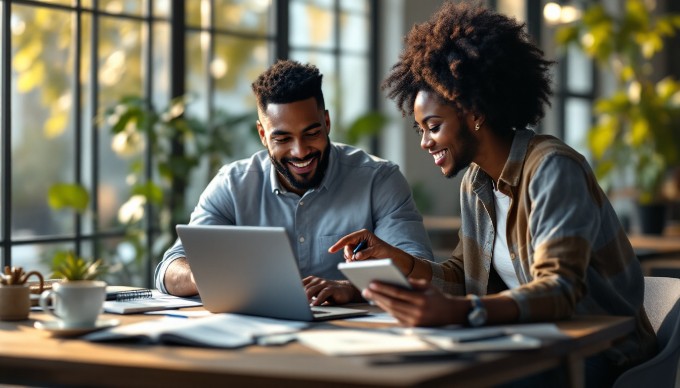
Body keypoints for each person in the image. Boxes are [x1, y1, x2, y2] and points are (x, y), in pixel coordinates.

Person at [329, 2, 656, 385]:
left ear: (473, 112)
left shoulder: (552, 169)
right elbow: (462, 274)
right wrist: (396, 260)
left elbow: (560, 290)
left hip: (600, 353)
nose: (424, 142)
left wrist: (459, 312)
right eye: (420, 130)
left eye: (432, 127)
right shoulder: (477, 182)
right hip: (532, 343)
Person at [155, 60, 433, 306]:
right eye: (283, 139)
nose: (300, 152)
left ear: (326, 122)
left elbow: (422, 271)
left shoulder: (379, 180)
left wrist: (352, 289)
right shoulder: (232, 185)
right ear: (263, 134)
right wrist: (203, 276)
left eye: (311, 133)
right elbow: (169, 268)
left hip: (354, 341)